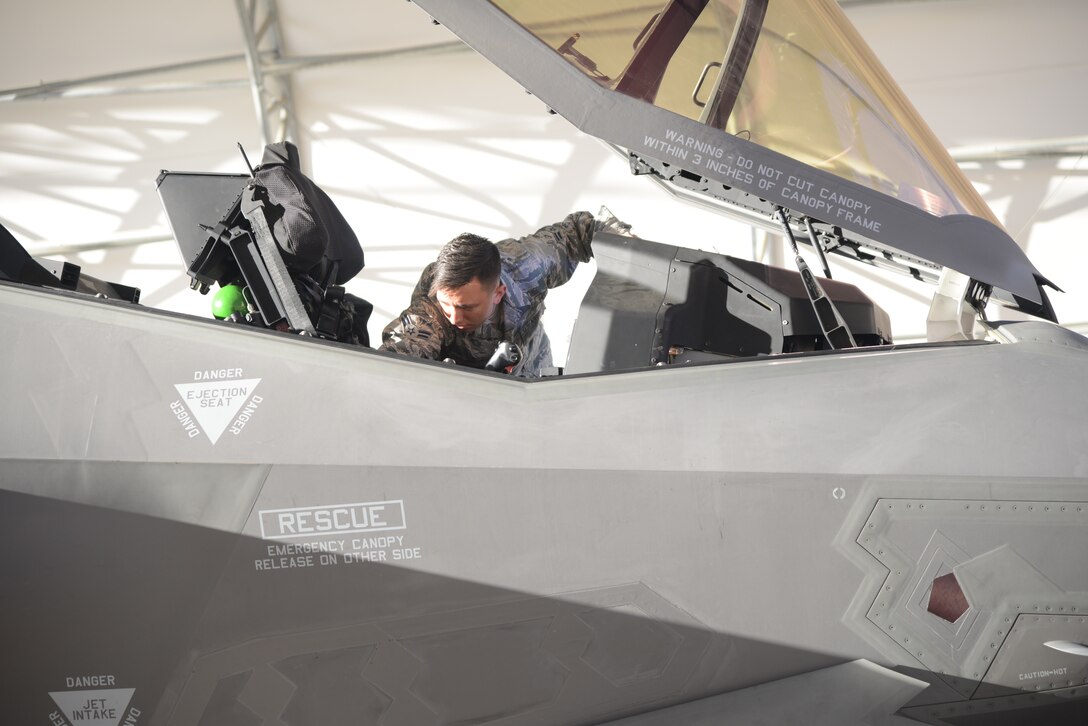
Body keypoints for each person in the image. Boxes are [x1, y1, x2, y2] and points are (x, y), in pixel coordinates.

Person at [380, 210, 621, 377]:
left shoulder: (528, 265)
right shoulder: (431, 306)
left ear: (498, 293)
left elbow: (583, 230)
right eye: (447, 305)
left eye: (466, 307)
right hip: (472, 389)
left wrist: (632, 250)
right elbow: (407, 346)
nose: (454, 317)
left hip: (533, 361)